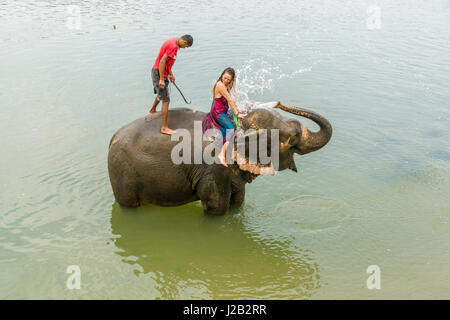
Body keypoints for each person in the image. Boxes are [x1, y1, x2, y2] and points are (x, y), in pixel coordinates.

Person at [148, 35, 193, 135]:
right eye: (186, 46)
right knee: (166, 100)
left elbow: (167, 62)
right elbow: (162, 61)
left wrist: (171, 74)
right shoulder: (173, 47)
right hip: (159, 73)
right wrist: (161, 79)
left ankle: (152, 110)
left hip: (160, 71)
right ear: (183, 41)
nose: (185, 48)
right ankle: (164, 127)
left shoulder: (173, 42)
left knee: (161, 94)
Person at [202, 67, 245, 166]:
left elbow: (233, 100)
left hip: (223, 111)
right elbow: (229, 100)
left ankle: (220, 141)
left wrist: (237, 110)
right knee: (231, 128)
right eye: (224, 78)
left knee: (234, 120)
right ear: (222, 75)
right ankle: (222, 154)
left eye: (228, 79)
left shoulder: (228, 85)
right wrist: (237, 114)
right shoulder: (220, 85)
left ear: (231, 80)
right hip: (218, 113)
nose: (225, 81)